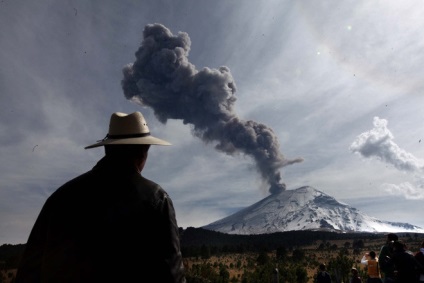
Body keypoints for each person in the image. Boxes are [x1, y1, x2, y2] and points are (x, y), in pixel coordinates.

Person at [15, 111, 186, 283]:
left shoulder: (60, 198)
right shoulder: (155, 200)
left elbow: (28, 271)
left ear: (107, 148)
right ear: (143, 153)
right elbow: (172, 276)